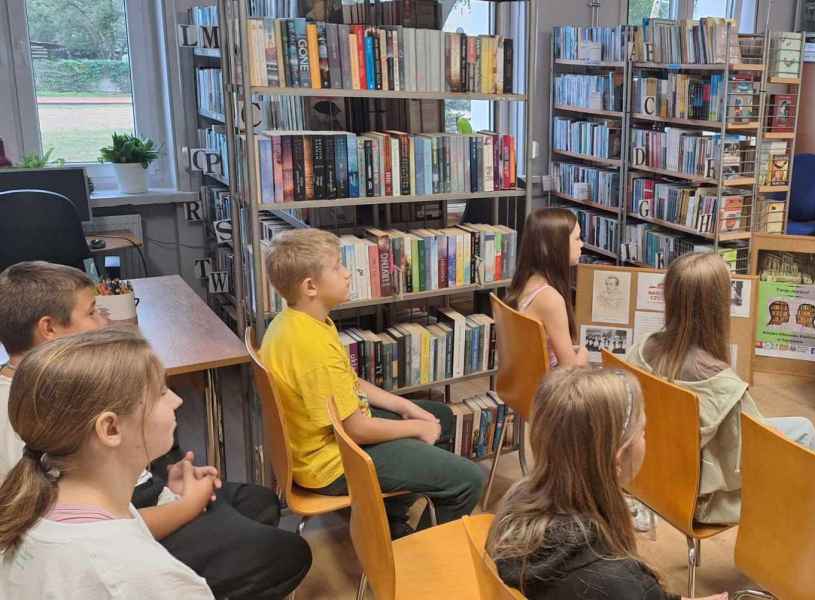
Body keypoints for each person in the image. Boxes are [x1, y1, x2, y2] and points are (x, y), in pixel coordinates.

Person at [0, 261, 312, 598]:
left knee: (258, 503)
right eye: (93, 312)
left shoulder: (51, 413)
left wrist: (166, 488)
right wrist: (183, 506)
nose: (104, 321)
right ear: (48, 328)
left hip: (138, 506)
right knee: (282, 549)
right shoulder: (138, 570)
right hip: (142, 534)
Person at [259, 228, 484, 533]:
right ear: (310, 286)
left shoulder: (295, 321)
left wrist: (406, 407)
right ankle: (420, 556)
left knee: (438, 415)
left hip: (329, 443)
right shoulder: (310, 346)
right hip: (333, 462)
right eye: (337, 266)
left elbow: (349, 383)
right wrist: (417, 427)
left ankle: (391, 523)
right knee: (469, 480)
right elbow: (357, 429)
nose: (348, 273)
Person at [0, 329, 213, 598]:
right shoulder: (149, 578)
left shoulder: (31, 510)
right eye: (161, 393)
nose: (177, 400)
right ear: (110, 429)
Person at [486, 367, 727, 600]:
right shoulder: (613, 580)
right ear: (619, 456)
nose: (645, 438)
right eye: (642, 431)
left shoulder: (513, 508)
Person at [624, 252, 815, 524]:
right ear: (716, 306)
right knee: (805, 432)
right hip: (703, 495)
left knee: (796, 430)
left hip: (654, 474)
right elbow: (742, 459)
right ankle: (793, 541)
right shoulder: (721, 382)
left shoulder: (643, 348)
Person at [504, 207, 589, 368]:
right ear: (557, 246)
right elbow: (570, 370)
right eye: (577, 239)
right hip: (548, 388)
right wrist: (584, 352)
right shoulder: (550, 299)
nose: (582, 244)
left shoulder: (526, 282)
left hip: (525, 382)